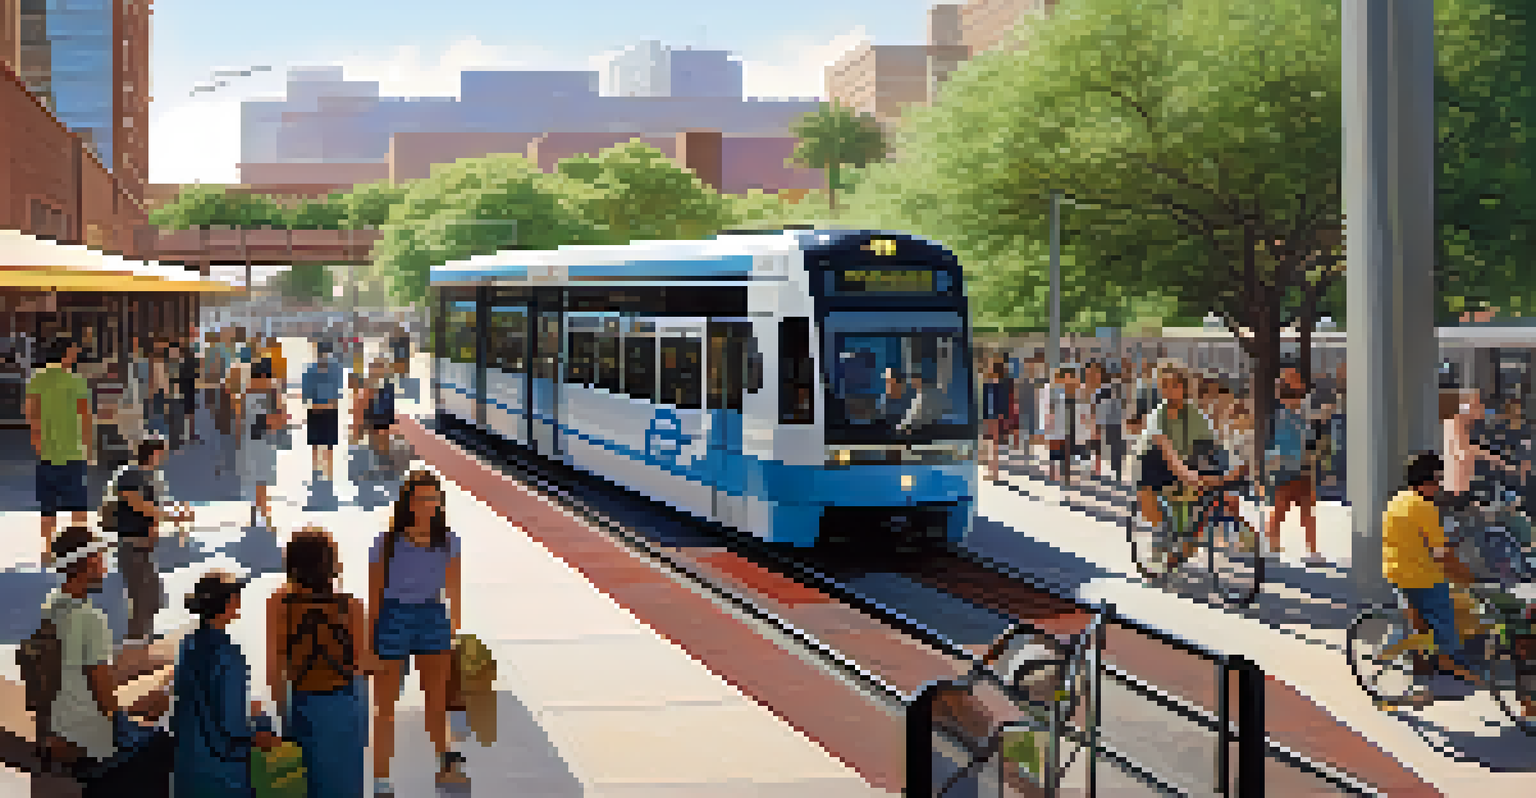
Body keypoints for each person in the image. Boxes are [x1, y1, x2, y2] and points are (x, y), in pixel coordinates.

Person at [40, 526, 176, 796]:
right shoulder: (90, 620)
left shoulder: (52, 605)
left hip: (59, 727)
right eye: (100, 557)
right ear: (87, 561)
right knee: (164, 743)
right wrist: (153, 708)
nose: (104, 564)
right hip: (87, 740)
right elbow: (106, 702)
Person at [370, 470, 468, 793]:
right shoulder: (386, 543)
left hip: (432, 616)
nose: (428, 505)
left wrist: (452, 629)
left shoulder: (448, 541)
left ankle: (445, 765)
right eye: (421, 499)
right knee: (385, 707)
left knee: (436, 702)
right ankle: (381, 780)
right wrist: (372, 640)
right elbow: (375, 594)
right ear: (408, 503)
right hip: (393, 617)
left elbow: (453, 588)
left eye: (433, 499)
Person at [267, 526, 376, 798]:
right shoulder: (350, 606)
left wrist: (284, 717)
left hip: (302, 701)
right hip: (344, 702)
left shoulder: (280, 604)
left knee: (306, 781)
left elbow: (275, 668)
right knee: (344, 782)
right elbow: (361, 663)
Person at [173, 570, 283, 796]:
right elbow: (232, 729)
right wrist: (262, 725)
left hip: (187, 773)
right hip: (221, 778)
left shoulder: (188, 646)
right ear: (230, 602)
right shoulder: (228, 655)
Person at [1381, 452, 1485, 690]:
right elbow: (1442, 553)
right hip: (1421, 575)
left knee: (1420, 622)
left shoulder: (1398, 500)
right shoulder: (1424, 507)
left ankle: (1419, 662)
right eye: (1438, 481)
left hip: (1397, 571)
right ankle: (1450, 667)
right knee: (1446, 619)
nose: (1439, 488)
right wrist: (1469, 576)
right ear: (1427, 482)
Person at [109, 437, 193, 644]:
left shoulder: (153, 477)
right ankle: (136, 641)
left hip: (145, 545)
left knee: (153, 595)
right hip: (131, 543)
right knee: (141, 595)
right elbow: (138, 504)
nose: (164, 457)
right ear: (152, 453)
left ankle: (145, 635)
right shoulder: (129, 474)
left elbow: (154, 510)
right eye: (161, 452)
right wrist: (172, 517)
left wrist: (172, 516)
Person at [1133, 362, 1218, 545]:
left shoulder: (1196, 415)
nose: (1169, 390)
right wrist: (1187, 474)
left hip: (1188, 465)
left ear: (1184, 387)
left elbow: (1211, 447)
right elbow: (1164, 449)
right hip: (1157, 466)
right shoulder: (1157, 415)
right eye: (1164, 385)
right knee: (1147, 480)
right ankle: (1159, 530)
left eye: (1174, 385)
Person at [26, 334, 92, 565]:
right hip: (73, 451)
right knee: (79, 505)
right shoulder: (76, 381)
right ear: (65, 353)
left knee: (48, 507)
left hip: (47, 453)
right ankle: (80, 547)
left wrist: (38, 443)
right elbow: (85, 417)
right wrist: (89, 448)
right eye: (73, 352)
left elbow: (31, 415)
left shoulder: (36, 379)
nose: (75, 356)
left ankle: (47, 550)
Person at [1266, 367, 1325, 566]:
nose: (1297, 398)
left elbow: (1308, 439)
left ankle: (1312, 550)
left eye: (1299, 394)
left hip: (1302, 469)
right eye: (1292, 393)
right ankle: (1272, 546)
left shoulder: (1300, 416)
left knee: (1306, 511)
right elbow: (1279, 444)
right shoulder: (1279, 416)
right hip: (1284, 470)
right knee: (1280, 510)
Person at [236, 357, 286, 530]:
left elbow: (239, 418)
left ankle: (257, 516)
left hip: (250, 440)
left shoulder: (246, 391)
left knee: (254, 479)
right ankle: (263, 517)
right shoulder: (272, 392)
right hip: (263, 441)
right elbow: (280, 420)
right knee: (261, 481)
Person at [303, 340, 346, 485]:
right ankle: (327, 473)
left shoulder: (311, 369)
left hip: (317, 409)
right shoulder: (335, 369)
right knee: (327, 445)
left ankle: (319, 471)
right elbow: (338, 391)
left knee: (319, 444)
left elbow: (306, 392)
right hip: (329, 409)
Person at [1042, 366, 1081, 485]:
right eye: (1065, 377)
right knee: (1054, 447)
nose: (1067, 379)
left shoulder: (1075, 390)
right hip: (1056, 421)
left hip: (1070, 421)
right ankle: (1054, 472)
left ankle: (1066, 475)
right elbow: (1046, 406)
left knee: (1067, 448)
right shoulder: (1051, 389)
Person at [1092, 361, 1127, 482]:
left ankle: (1113, 471)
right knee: (1106, 446)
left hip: (1112, 421)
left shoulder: (1110, 388)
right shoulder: (1106, 389)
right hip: (1110, 420)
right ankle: (1100, 470)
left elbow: (1110, 406)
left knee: (1114, 446)